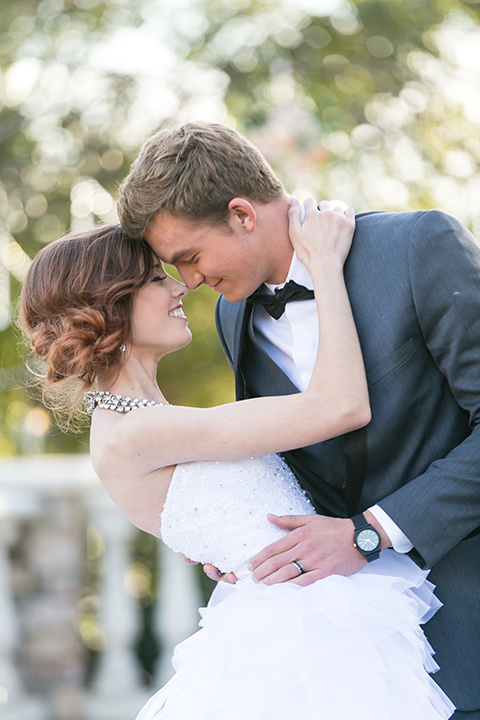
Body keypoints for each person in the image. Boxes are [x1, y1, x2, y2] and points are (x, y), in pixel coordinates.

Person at [19, 212, 454, 719]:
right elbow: (342, 406)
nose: (181, 288)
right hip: (302, 641)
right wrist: (325, 266)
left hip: (306, 617)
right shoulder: (135, 433)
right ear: (110, 306)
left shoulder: (145, 422)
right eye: (157, 279)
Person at [117, 121, 480, 719]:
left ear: (242, 214)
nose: (189, 281)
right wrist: (238, 534)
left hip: (467, 627)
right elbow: (296, 458)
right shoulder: (236, 318)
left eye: (189, 257)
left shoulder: (416, 247)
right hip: (351, 657)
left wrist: (373, 532)